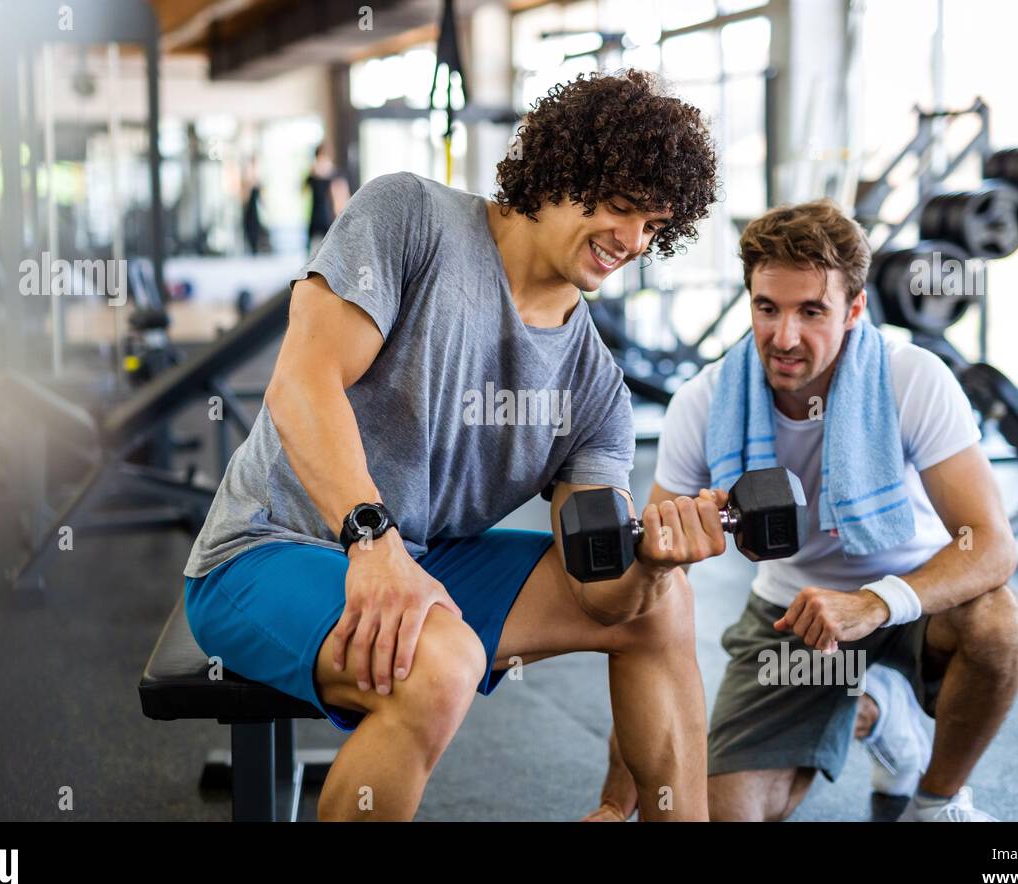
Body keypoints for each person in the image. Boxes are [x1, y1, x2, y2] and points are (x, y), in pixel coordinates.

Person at [181, 70, 721, 821]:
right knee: (443, 663)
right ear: (563, 168)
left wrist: (651, 567)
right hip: (267, 549)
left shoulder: (595, 387)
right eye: (622, 207)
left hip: (423, 564)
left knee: (661, 611)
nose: (632, 242)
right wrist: (373, 546)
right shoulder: (408, 217)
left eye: (655, 225)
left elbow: (601, 591)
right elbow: (301, 386)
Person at [584, 200, 1018, 823]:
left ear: (853, 310)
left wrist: (875, 603)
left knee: (999, 622)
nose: (784, 337)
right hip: (791, 618)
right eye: (767, 308)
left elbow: (989, 543)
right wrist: (615, 801)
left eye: (811, 311)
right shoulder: (704, 401)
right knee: (723, 814)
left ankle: (937, 801)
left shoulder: (914, 380)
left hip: (918, 603)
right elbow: (644, 602)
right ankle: (873, 708)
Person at [304, 141, 348, 255]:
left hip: (329, 218)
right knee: (312, 252)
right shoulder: (312, 175)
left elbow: (341, 198)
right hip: (315, 217)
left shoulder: (335, 175)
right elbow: (303, 190)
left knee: (329, 252)